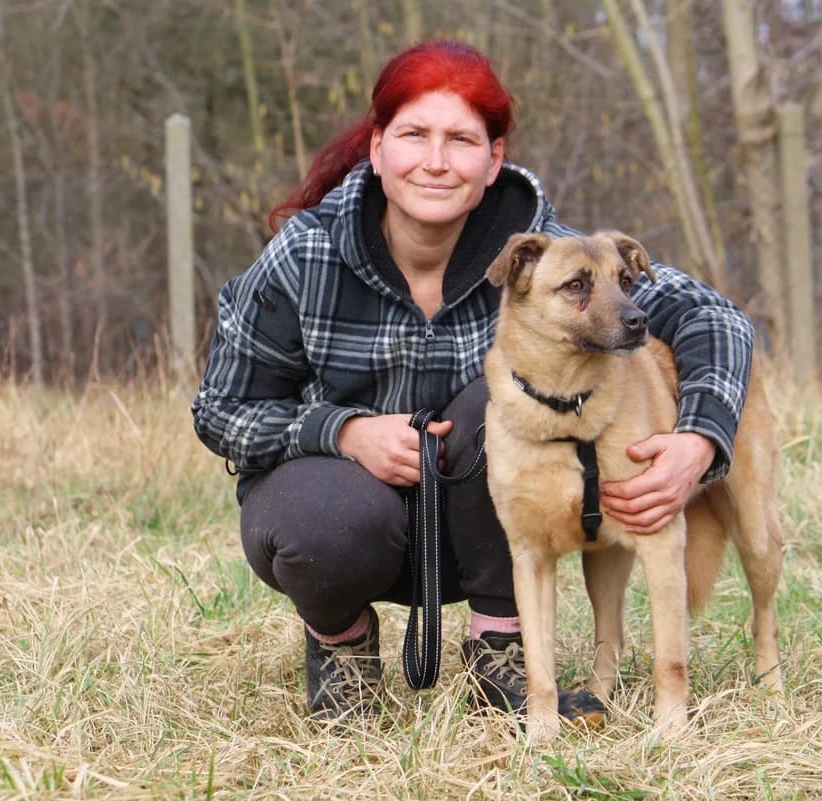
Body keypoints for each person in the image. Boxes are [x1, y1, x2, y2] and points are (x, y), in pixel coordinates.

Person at [191, 39, 756, 723]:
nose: (435, 161)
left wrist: (700, 439)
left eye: (460, 140)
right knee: (327, 521)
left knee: (504, 398)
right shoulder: (306, 254)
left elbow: (714, 318)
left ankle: (501, 650)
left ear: (493, 160)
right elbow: (221, 410)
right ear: (378, 148)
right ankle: (342, 644)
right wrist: (343, 431)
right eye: (414, 135)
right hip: (345, 519)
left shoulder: (544, 253)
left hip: (484, 530)